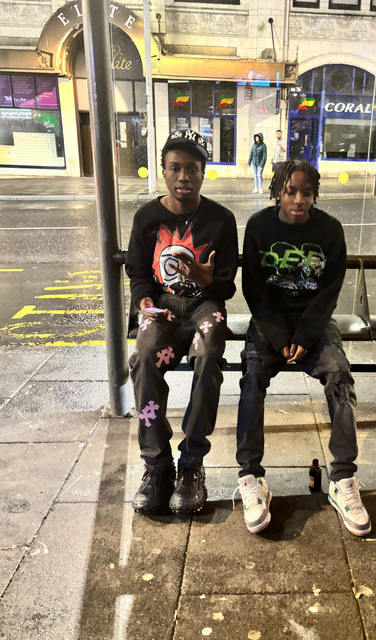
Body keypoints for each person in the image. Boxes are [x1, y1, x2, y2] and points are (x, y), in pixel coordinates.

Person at [234, 159, 371, 537]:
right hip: (269, 324)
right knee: (251, 380)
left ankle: (343, 480)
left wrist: (305, 337)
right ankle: (251, 478)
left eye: (306, 193)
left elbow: (329, 292)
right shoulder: (259, 226)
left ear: (314, 194)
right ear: (277, 191)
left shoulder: (330, 230)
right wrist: (281, 338)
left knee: (340, 377)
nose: (299, 199)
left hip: (314, 324)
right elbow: (254, 289)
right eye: (291, 191)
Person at [126, 129, 238, 517]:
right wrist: (144, 301)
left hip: (206, 306)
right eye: (175, 168)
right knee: (143, 356)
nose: (183, 176)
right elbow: (138, 271)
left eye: (192, 168)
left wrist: (208, 279)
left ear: (203, 173)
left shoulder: (221, 220)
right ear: (163, 171)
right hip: (164, 306)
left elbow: (226, 285)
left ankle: (192, 461)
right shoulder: (147, 217)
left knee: (208, 354)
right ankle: (157, 465)